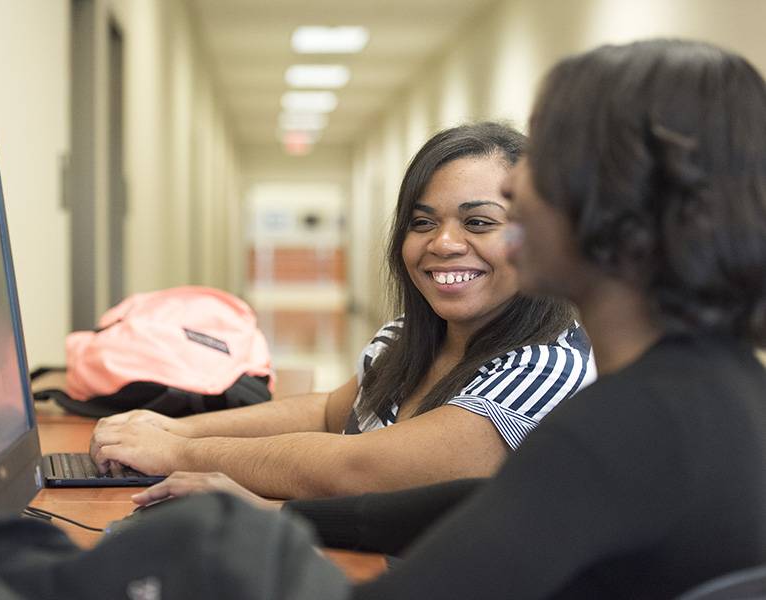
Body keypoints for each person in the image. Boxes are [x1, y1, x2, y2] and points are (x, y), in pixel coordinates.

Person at [263, 39, 766, 599]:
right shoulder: (715, 389)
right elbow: (498, 502)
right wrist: (282, 511)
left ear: (618, 203)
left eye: (543, 160)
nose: (510, 189)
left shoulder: (622, 428)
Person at [90, 123, 593, 500]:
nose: (442, 243)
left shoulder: (545, 368)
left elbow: (356, 468)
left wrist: (178, 453)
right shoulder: (408, 337)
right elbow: (332, 412)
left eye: (479, 222)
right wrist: (175, 428)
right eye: (422, 222)